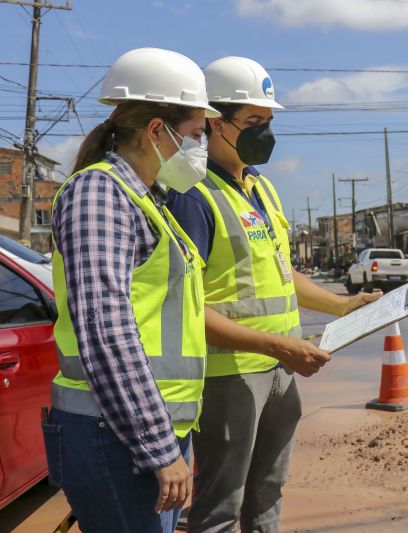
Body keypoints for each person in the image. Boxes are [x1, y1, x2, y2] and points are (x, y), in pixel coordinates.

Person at [166, 56, 380, 533]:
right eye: (254, 122)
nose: (265, 133)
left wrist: (342, 305)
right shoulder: (192, 196)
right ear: (217, 125)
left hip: (282, 370)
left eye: (269, 121)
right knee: (221, 505)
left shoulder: (262, 189)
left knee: (268, 493)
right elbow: (186, 308)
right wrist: (278, 346)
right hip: (230, 378)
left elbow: (284, 275)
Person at [41, 48, 219, 532]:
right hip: (116, 435)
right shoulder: (99, 195)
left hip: (139, 429)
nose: (201, 148)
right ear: (157, 131)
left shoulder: (146, 199)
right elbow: (107, 332)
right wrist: (161, 448)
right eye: (197, 135)